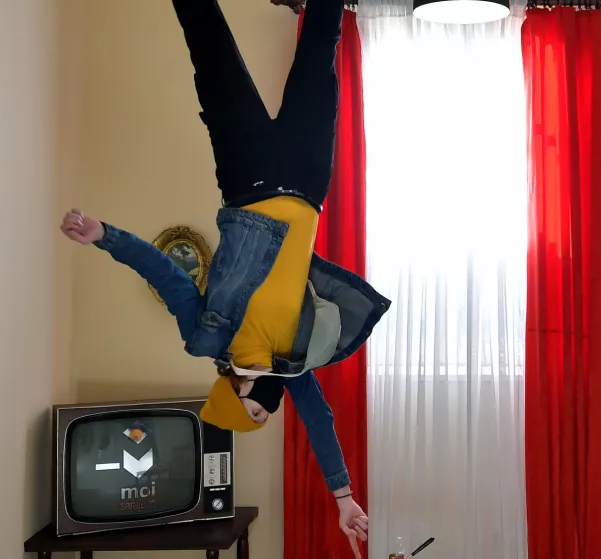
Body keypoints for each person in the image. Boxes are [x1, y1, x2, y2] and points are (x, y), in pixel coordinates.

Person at [59, 0, 389, 556]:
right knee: (320, 47)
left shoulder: (206, 338)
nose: (266, 406)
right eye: (264, 412)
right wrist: (343, 498)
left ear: (233, 390)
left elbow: (166, 274)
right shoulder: (294, 364)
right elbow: (320, 423)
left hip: (249, 177)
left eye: (254, 409)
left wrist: (105, 236)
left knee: (209, 49)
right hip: (308, 185)